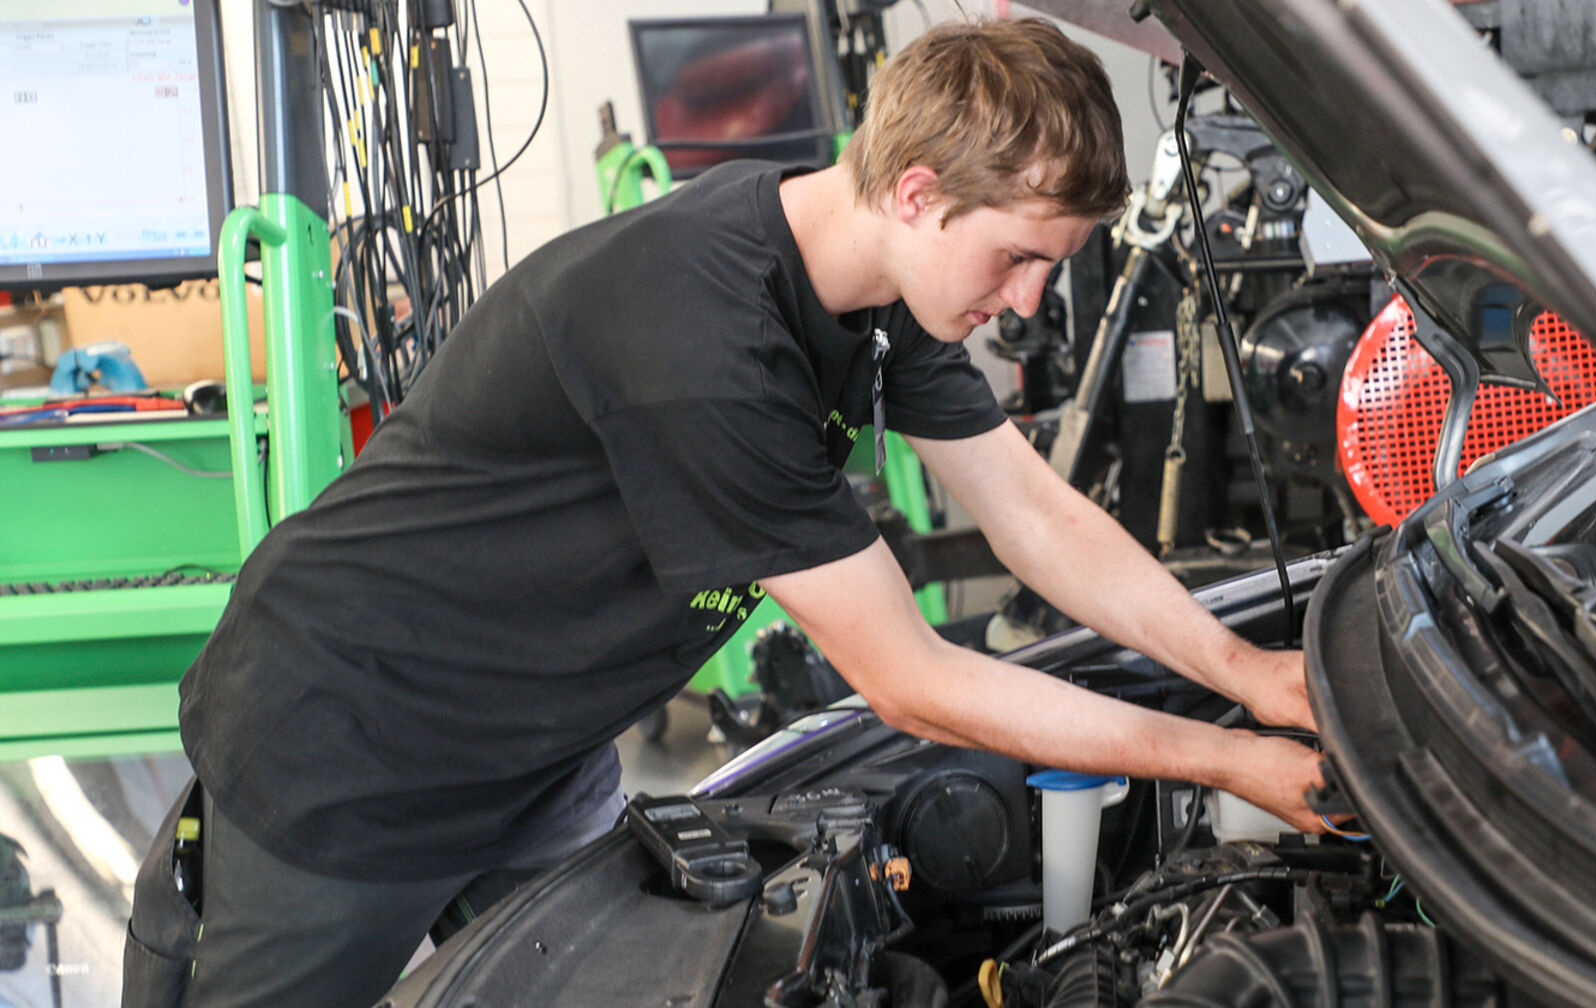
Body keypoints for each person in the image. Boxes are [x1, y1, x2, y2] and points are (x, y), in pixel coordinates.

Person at [122, 16, 1330, 1008]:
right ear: (916, 192)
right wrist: (1218, 752)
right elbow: (908, 680)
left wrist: (1240, 667)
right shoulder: (702, 333)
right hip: (364, 735)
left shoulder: (874, 300)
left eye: (1054, 266)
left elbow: (1035, 513)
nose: (1028, 302)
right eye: (1019, 258)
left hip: (546, 744)